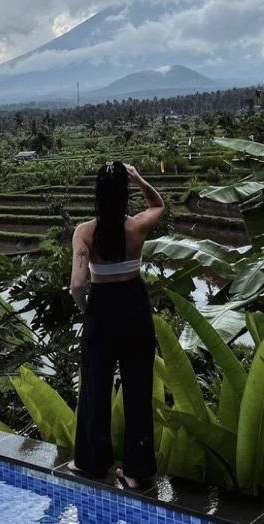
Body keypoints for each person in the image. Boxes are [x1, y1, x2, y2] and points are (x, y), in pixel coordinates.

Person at [68, 160, 164, 489]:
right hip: (135, 306)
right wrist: (139, 179)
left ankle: (93, 465)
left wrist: (88, 311)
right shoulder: (137, 227)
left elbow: (78, 285)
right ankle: (137, 474)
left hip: (103, 309)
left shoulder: (85, 232)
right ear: (124, 192)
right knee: (138, 388)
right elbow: (158, 204)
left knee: (95, 386)